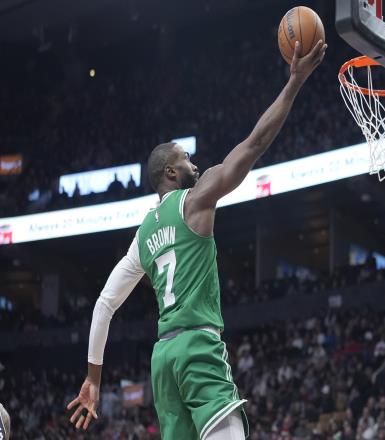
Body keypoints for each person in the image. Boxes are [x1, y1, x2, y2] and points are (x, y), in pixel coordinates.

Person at [67, 39, 327, 440]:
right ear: (171, 173)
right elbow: (254, 145)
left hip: (163, 361)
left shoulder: (142, 236)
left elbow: (104, 305)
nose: (196, 164)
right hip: (196, 347)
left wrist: (93, 378)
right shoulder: (194, 200)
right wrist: (294, 82)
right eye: (186, 159)